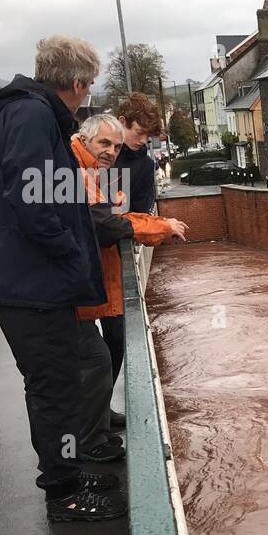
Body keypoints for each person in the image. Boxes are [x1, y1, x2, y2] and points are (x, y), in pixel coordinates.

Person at [0, 35, 125, 522]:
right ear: (78, 83)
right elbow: (34, 200)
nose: (87, 97)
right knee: (54, 389)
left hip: (36, 282)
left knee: (67, 377)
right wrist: (68, 252)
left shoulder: (28, 113)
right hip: (32, 284)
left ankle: (69, 473)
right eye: (89, 88)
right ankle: (63, 495)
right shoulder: (33, 115)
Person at [69, 113, 186, 461]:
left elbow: (118, 215)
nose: (111, 151)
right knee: (93, 360)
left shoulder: (94, 171)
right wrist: (159, 227)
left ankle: (96, 424)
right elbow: (104, 224)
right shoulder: (76, 171)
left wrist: (157, 224)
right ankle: (88, 445)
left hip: (82, 282)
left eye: (116, 146)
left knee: (101, 354)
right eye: (104, 143)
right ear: (85, 138)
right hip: (66, 285)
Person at [99, 93, 164, 409]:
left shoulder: (144, 165)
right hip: (81, 259)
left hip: (114, 260)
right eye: (139, 133)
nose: (143, 141)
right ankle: (92, 419)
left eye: (148, 136)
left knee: (115, 340)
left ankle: (101, 411)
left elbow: (139, 215)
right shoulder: (94, 149)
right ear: (122, 122)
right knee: (83, 349)